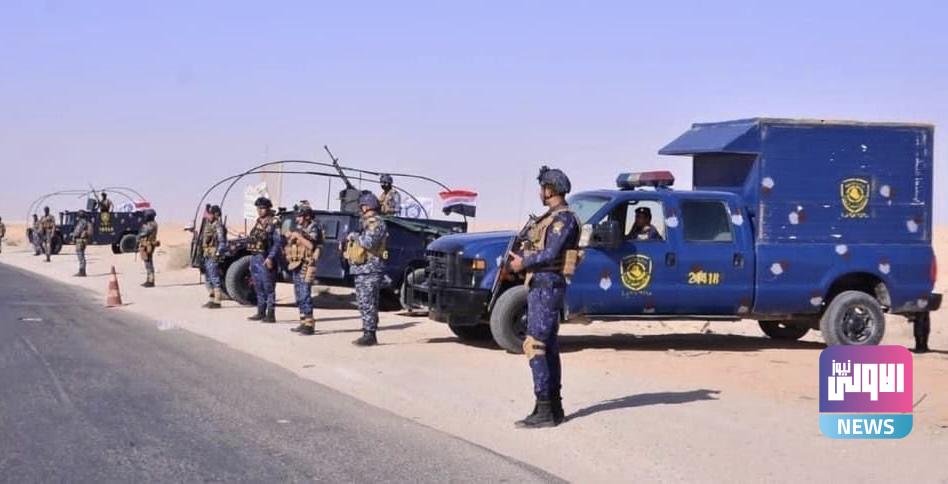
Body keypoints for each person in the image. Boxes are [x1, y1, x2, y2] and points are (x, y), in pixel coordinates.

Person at [507, 166, 581, 428]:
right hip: (541, 284)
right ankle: (552, 407)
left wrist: (522, 262)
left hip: (548, 285)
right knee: (547, 345)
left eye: (542, 188)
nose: (540, 192)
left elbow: (550, 253)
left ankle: (545, 409)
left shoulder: (564, 219)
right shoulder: (550, 218)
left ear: (549, 190)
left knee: (535, 344)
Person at [343, 192, 388, 346]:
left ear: (367, 206)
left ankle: (370, 334)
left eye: (362, 206)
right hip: (362, 269)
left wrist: (354, 236)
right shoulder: (366, 223)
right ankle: (367, 331)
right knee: (363, 302)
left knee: (369, 302)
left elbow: (369, 243)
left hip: (371, 269)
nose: (361, 209)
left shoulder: (376, 223)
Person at [286, 205, 324, 335]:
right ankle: (303, 321)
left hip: (307, 264)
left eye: (299, 216)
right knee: (298, 293)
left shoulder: (314, 227)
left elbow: (311, 245)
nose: (297, 219)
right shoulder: (300, 228)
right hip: (297, 263)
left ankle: (309, 324)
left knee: (304, 293)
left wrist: (298, 236)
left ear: (307, 216)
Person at [247, 197, 283, 323]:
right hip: (255, 257)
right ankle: (260, 312)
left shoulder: (274, 222)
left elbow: (277, 243)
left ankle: (271, 314)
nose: (260, 210)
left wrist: (270, 258)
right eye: (258, 208)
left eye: (262, 208)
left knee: (268, 287)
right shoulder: (258, 222)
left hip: (266, 258)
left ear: (268, 208)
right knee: (258, 286)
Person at [201, 205, 227, 309]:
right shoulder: (209, 224)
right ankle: (211, 299)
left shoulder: (218, 226)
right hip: (207, 253)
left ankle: (217, 301)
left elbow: (222, 241)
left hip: (213, 254)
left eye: (211, 214)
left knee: (214, 277)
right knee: (208, 277)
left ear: (216, 215)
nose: (209, 216)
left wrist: (218, 253)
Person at [137, 209, 160, 287]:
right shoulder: (153, 224)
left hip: (148, 245)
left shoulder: (151, 225)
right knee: (148, 262)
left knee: (148, 263)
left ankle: (150, 281)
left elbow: (143, 233)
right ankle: (149, 280)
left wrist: (141, 225)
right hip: (148, 244)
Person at [71, 210, 92, 277]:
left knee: (80, 255)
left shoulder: (82, 222)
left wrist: (74, 236)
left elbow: (77, 231)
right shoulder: (86, 222)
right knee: (81, 255)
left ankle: (82, 272)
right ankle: (82, 271)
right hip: (83, 241)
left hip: (80, 241)